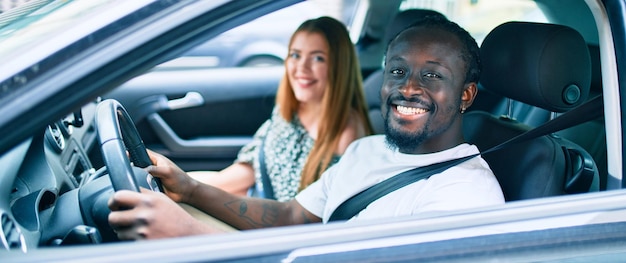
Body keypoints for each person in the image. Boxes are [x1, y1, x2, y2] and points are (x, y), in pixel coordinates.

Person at [107, 15, 505, 240]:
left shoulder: (463, 195)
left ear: (466, 95)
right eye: (397, 70)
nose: (408, 88)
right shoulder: (368, 150)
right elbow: (293, 218)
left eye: (433, 76)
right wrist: (190, 188)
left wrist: (190, 235)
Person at [188, 16, 373, 201]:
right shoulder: (291, 109)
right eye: (295, 55)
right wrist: (201, 187)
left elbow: (310, 216)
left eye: (318, 58)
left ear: (339, 66)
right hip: (252, 197)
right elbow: (256, 167)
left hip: (271, 221)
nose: (302, 67)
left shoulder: (347, 134)